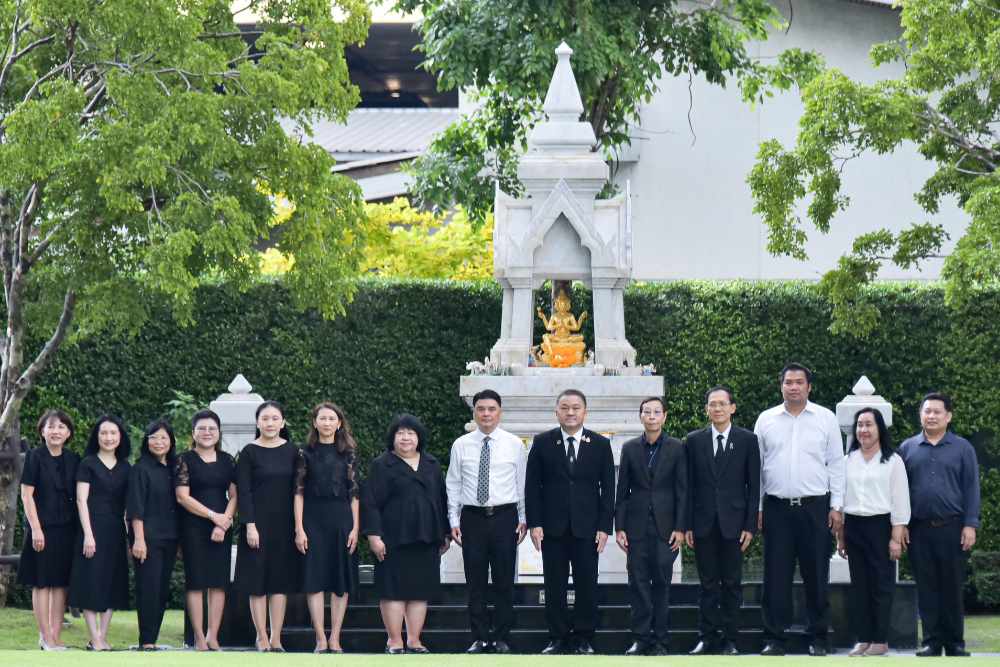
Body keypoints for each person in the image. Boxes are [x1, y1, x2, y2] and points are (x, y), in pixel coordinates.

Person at [754, 363, 845, 656]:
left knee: (816, 575)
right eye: (788, 382)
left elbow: (836, 464)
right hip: (776, 509)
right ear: (781, 386)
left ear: (809, 387)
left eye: (799, 382)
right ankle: (774, 639)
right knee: (775, 577)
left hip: (815, 508)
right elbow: (756, 468)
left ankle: (817, 638)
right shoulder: (766, 419)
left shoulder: (825, 418)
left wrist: (837, 506)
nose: (793, 387)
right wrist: (757, 508)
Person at [526, 389, 615, 655]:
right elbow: (533, 486)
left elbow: (608, 489)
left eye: (576, 407)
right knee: (555, 584)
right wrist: (535, 523)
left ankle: (584, 637)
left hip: (587, 528)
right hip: (552, 528)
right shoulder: (542, 442)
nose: (570, 412)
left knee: (587, 583)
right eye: (565, 407)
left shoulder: (600, 444)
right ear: (557, 411)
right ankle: (557, 636)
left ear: (585, 411)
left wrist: (603, 527)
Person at [899, 392, 980, 657]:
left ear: (948, 416)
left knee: (952, 587)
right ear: (920, 415)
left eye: (937, 411)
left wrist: (970, 524)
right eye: (927, 411)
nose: (931, 416)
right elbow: (899, 491)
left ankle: (955, 643)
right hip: (919, 529)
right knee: (927, 587)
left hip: (953, 528)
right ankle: (931, 641)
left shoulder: (963, 448)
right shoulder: (908, 448)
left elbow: (971, 488)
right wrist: (901, 524)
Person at [446, 389, 527, 654]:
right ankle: (480, 636)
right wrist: (453, 519)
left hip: (505, 517)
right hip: (472, 518)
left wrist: (524, 518)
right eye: (481, 409)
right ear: (475, 412)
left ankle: (502, 636)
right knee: (475, 581)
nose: (486, 414)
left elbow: (522, 484)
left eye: (491, 409)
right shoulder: (461, 444)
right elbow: (453, 484)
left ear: (499, 412)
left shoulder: (515, 444)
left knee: (504, 580)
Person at [362, 414, 450, 654]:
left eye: (411, 433)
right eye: (401, 433)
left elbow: (441, 500)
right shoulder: (382, 464)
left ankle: (414, 640)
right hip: (392, 538)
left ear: (419, 437)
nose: (406, 437)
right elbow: (370, 503)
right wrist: (373, 536)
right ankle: (394, 640)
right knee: (393, 590)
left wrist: (444, 533)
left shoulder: (431, 464)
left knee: (420, 591)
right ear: (393, 437)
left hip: (426, 536)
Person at [684, 386, 760, 656]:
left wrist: (750, 525)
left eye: (721, 404)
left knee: (731, 583)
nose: (716, 409)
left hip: (734, 524)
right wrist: (687, 525)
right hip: (703, 523)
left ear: (732, 408)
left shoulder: (747, 440)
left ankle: (730, 639)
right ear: (706, 409)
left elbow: (754, 486)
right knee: (707, 584)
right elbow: (688, 487)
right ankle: (706, 637)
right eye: (712, 404)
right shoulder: (693, 441)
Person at [615, 396, 688, 656]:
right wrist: (619, 527)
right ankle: (640, 638)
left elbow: (683, 491)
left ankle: (660, 640)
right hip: (635, 528)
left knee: (661, 584)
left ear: (665, 416)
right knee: (638, 584)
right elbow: (622, 491)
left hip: (666, 529)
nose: (652, 416)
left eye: (657, 412)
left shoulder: (678, 447)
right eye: (647, 412)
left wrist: (680, 528)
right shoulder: (630, 448)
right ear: (641, 416)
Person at [836, 407, 910, 657]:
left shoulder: (893, 460)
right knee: (860, 586)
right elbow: (842, 501)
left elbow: (901, 501)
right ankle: (864, 638)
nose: (863, 430)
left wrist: (896, 538)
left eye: (869, 425)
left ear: (879, 428)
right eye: (860, 425)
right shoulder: (848, 461)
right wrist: (841, 536)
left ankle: (880, 640)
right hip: (854, 527)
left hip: (881, 527)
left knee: (881, 585)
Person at [294, 402, 360, 654]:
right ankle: (320, 637)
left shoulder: (349, 453)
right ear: (315, 422)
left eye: (332, 418)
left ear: (339, 423)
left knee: (340, 579)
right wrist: (299, 528)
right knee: (315, 578)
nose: (327, 422)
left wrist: (355, 528)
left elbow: (355, 493)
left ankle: (335, 637)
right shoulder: (304, 452)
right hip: (312, 519)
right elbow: (298, 492)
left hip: (342, 519)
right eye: (322, 418)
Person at [235, 400, 301, 652]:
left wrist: (298, 527)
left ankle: (276, 637)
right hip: (256, 525)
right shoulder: (249, 452)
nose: (270, 423)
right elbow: (244, 492)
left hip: (284, 526)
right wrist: (250, 525)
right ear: (257, 422)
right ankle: (261, 637)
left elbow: (298, 491)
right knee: (257, 583)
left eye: (275, 418)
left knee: (279, 584)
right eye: (265, 418)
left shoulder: (294, 452)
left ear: (282, 422)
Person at [18, 409, 81, 651]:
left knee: (60, 584)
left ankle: (56, 636)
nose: (56, 431)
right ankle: (44, 636)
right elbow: (26, 495)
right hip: (41, 528)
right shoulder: (34, 457)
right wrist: (36, 529)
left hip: (67, 528)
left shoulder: (73, 459)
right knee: (42, 583)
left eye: (61, 427)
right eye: (51, 427)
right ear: (42, 430)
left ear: (68, 433)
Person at [68, 415, 132, 651]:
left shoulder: (127, 467)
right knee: (91, 582)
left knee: (112, 584)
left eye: (113, 433)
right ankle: (94, 637)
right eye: (104, 433)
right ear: (97, 436)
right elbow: (81, 500)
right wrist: (88, 534)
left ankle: (102, 636)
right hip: (91, 529)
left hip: (115, 531)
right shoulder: (88, 464)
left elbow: (128, 506)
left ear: (120, 437)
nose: (108, 437)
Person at [175, 409, 237, 651]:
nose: (207, 432)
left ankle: (213, 635)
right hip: (194, 526)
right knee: (196, 582)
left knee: (219, 582)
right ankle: (199, 637)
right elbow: (182, 497)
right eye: (201, 428)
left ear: (218, 432)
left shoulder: (227, 460)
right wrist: (214, 517)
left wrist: (224, 521)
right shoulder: (184, 459)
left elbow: (234, 495)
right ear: (193, 432)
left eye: (212, 428)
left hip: (222, 526)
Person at [128, 419, 181, 650]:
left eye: (163, 438)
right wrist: (138, 539)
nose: (159, 442)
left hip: (170, 537)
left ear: (171, 441)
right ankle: (146, 641)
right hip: (147, 538)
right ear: (146, 441)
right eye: (153, 437)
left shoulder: (174, 468)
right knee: (148, 588)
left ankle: (153, 639)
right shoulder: (140, 468)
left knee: (161, 590)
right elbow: (135, 508)